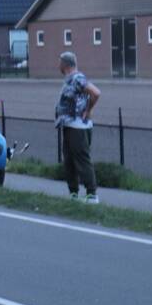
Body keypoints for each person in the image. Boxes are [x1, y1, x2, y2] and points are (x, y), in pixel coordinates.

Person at [54, 51, 100, 204]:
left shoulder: (77, 78)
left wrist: (88, 109)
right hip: (68, 125)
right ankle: (73, 193)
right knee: (69, 160)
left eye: (60, 62)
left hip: (78, 127)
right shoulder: (69, 80)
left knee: (82, 159)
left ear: (65, 64)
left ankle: (92, 194)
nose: (58, 65)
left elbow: (95, 93)